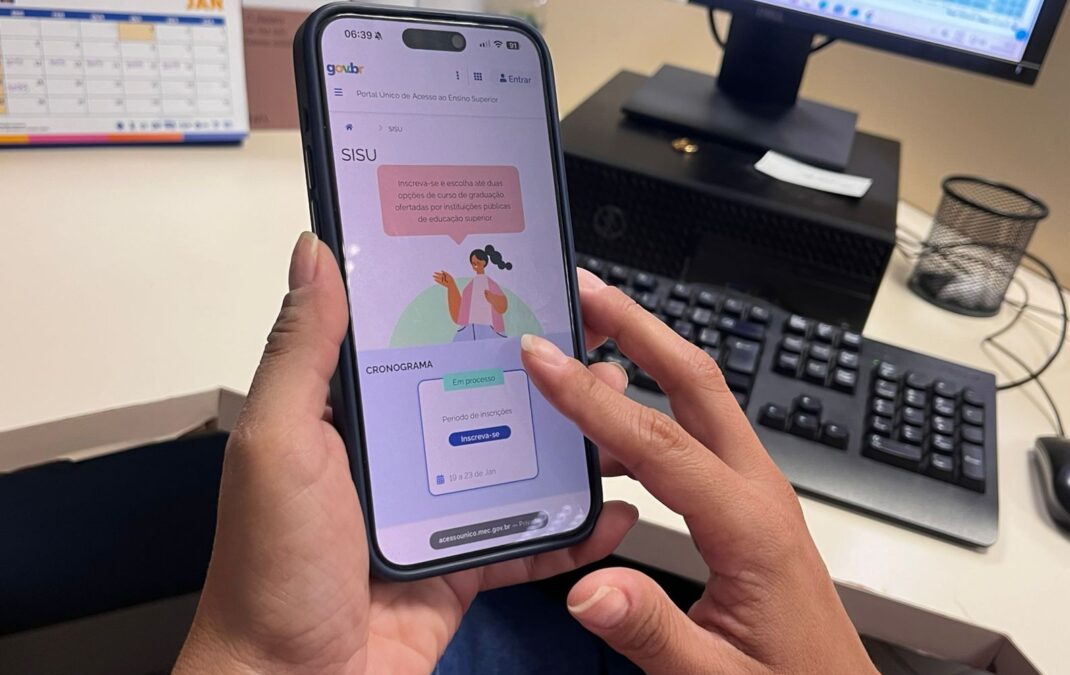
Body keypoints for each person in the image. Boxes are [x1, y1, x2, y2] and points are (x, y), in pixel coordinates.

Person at [173, 233, 876, 674]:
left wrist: (260, 658)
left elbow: (491, 317)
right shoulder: (470, 290)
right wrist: (265, 658)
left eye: (478, 262)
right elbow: (462, 319)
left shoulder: (495, 290)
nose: (476, 266)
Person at [433, 244, 512, 342]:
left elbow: (503, 305)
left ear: (484, 262)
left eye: (478, 263)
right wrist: (451, 286)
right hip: (469, 330)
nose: (475, 266)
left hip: (489, 330)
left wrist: (493, 298)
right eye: (473, 263)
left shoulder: (491, 284)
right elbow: (460, 314)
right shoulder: (469, 288)